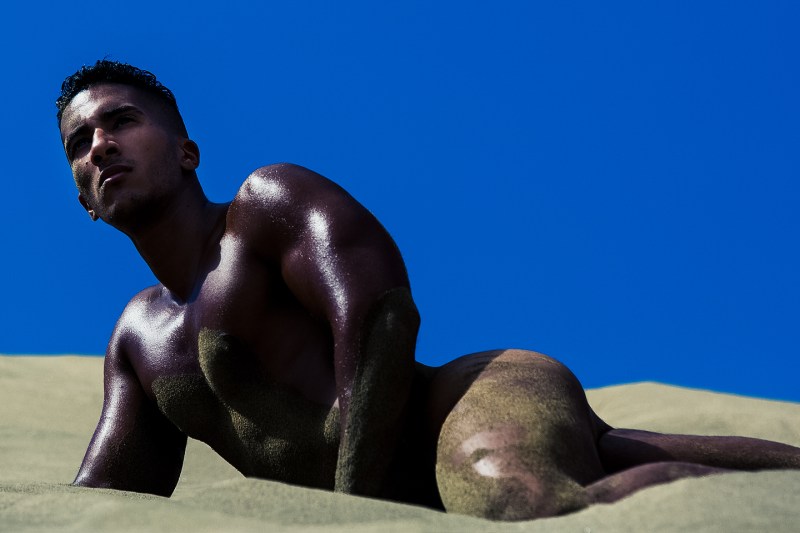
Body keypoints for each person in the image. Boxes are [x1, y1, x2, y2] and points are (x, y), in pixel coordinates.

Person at [56, 60, 800, 521]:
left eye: (121, 121)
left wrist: (352, 510)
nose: (100, 146)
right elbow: (108, 501)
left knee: (525, 499)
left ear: (185, 150)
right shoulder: (138, 339)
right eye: (78, 144)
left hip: (468, 397)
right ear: (85, 201)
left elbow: (379, 315)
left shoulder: (264, 205)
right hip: (409, 491)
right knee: (604, 458)